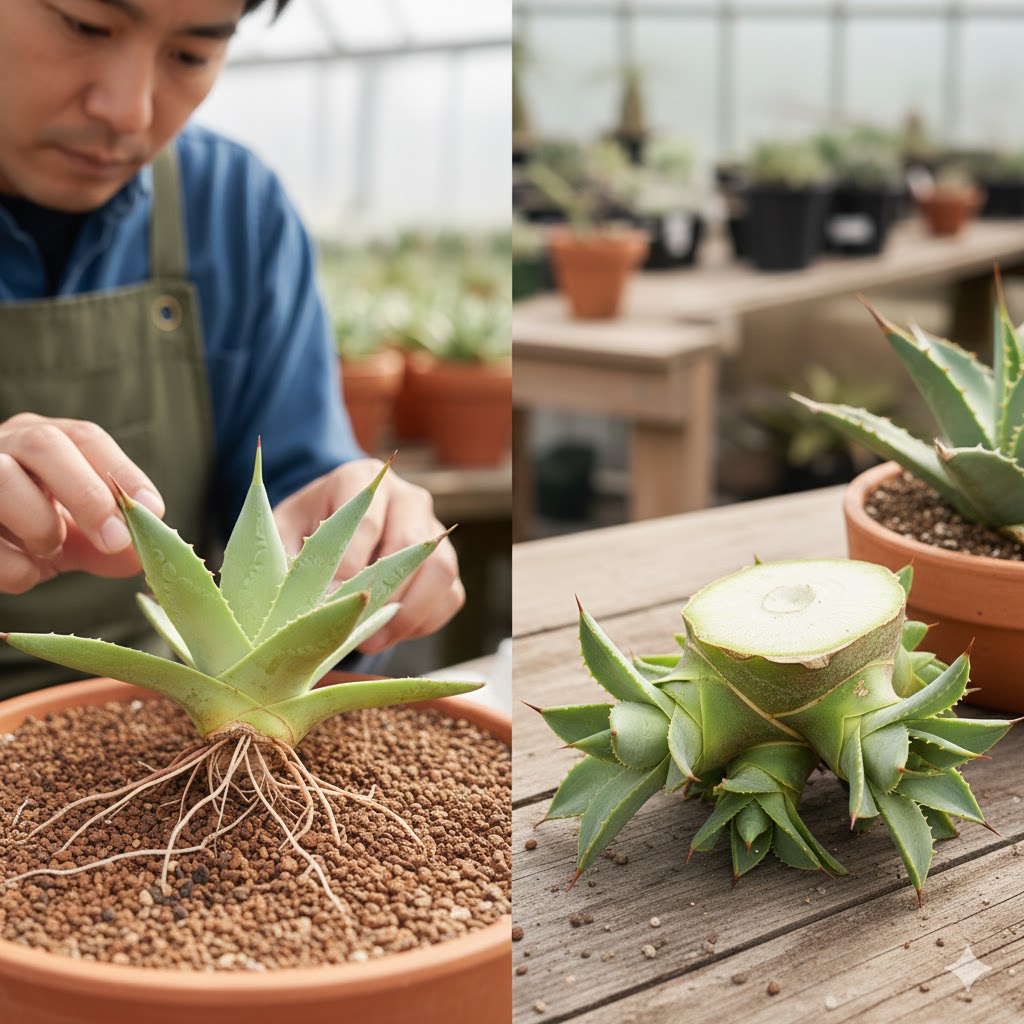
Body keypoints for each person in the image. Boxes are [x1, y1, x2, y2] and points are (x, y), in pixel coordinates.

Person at [0, 0, 464, 695]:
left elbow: (302, 493)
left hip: (170, 725)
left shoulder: (237, 209)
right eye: (85, 25)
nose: (128, 110)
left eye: (190, 54)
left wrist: (370, 545)